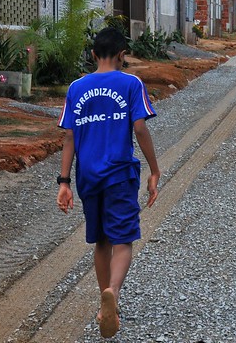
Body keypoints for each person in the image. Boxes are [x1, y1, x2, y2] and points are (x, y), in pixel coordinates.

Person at [56, 27, 160, 338]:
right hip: (119, 174)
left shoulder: (76, 87)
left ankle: (104, 303)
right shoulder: (131, 83)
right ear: (121, 55)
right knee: (123, 240)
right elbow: (139, 128)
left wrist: (64, 182)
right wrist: (154, 170)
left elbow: (69, 137)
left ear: (92, 55)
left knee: (101, 241)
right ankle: (112, 293)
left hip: (88, 176)